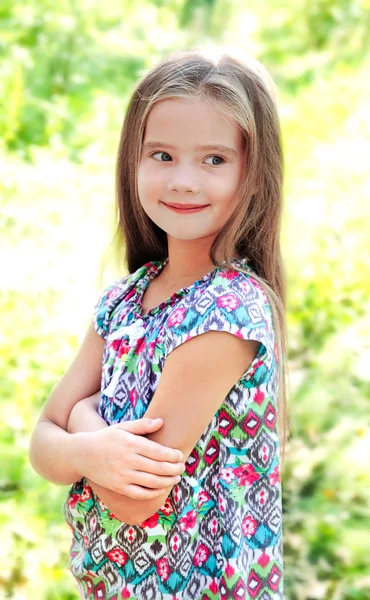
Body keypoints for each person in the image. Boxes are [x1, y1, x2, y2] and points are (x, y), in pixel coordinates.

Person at [29, 46, 287, 600]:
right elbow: (39, 446)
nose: (184, 181)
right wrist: (88, 446)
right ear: (134, 161)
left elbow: (134, 499)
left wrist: (77, 417)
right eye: (162, 155)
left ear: (253, 172)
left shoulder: (228, 314)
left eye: (214, 159)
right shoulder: (126, 297)